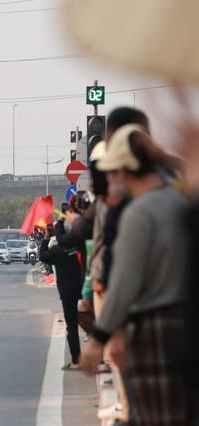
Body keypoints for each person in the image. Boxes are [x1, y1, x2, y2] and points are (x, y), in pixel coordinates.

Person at [80, 124, 190, 425]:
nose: (113, 180)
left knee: (154, 415)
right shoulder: (179, 201)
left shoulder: (139, 214)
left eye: (114, 172)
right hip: (185, 322)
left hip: (153, 327)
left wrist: (98, 339)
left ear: (125, 170)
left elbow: (125, 283)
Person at [39, 224, 84, 371]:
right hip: (85, 291)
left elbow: (43, 256)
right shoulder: (80, 245)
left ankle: (76, 361)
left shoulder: (58, 251)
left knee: (72, 327)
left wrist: (46, 238)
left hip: (68, 295)